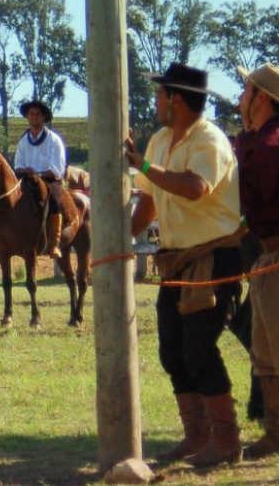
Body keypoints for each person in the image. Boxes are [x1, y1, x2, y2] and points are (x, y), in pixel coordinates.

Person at [125, 62, 244, 468]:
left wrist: (142, 166)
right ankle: (198, 436)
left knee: (198, 348)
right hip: (177, 262)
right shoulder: (161, 140)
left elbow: (196, 188)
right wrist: (121, 236)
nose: (156, 102)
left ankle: (226, 439)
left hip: (215, 259)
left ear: (176, 99)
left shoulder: (209, 140)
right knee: (172, 352)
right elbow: (151, 200)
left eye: (160, 95)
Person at [234, 63, 279, 460]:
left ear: (261, 97)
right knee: (266, 351)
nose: (240, 96)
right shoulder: (258, 141)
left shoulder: (269, 148)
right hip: (267, 254)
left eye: (245, 89)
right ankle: (275, 432)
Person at [13, 100, 67, 258]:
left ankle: (54, 243)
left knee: (55, 202)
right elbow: (18, 165)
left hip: (49, 181)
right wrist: (26, 172)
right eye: (31, 114)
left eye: (37, 114)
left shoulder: (54, 140)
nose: (34, 117)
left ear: (43, 117)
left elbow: (56, 168)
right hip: (28, 180)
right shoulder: (23, 142)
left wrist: (37, 173)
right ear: (27, 117)